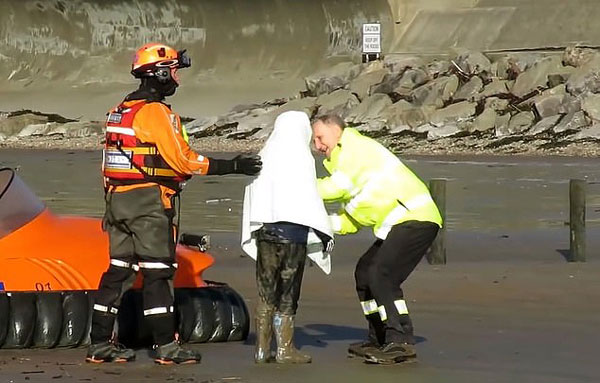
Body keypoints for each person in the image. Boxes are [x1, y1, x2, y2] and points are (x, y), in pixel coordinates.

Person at [87, 43, 262, 365]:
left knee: (118, 272)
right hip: (147, 203)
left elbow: (108, 162)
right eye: (174, 72)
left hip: (117, 201)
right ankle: (166, 347)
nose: (177, 80)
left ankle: (99, 343)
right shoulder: (155, 112)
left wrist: (111, 204)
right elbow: (182, 160)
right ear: (161, 73)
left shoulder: (120, 109)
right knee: (157, 273)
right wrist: (231, 166)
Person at [311, 114, 442, 365]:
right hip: (399, 223)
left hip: (417, 218)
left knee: (381, 273)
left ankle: (401, 340)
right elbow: (351, 219)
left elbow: (336, 188)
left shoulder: (355, 148)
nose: (317, 146)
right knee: (364, 272)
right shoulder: (343, 161)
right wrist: (318, 224)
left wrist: (297, 188)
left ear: (336, 130)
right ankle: (379, 336)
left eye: (320, 137)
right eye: (314, 141)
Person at [241, 111, 334, 364]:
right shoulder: (301, 158)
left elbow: (253, 192)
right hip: (292, 236)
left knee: (266, 292)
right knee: (288, 292)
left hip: (265, 233)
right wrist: (324, 231)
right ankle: (285, 349)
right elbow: (310, 198)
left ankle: (261, 350)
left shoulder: (266, 154)